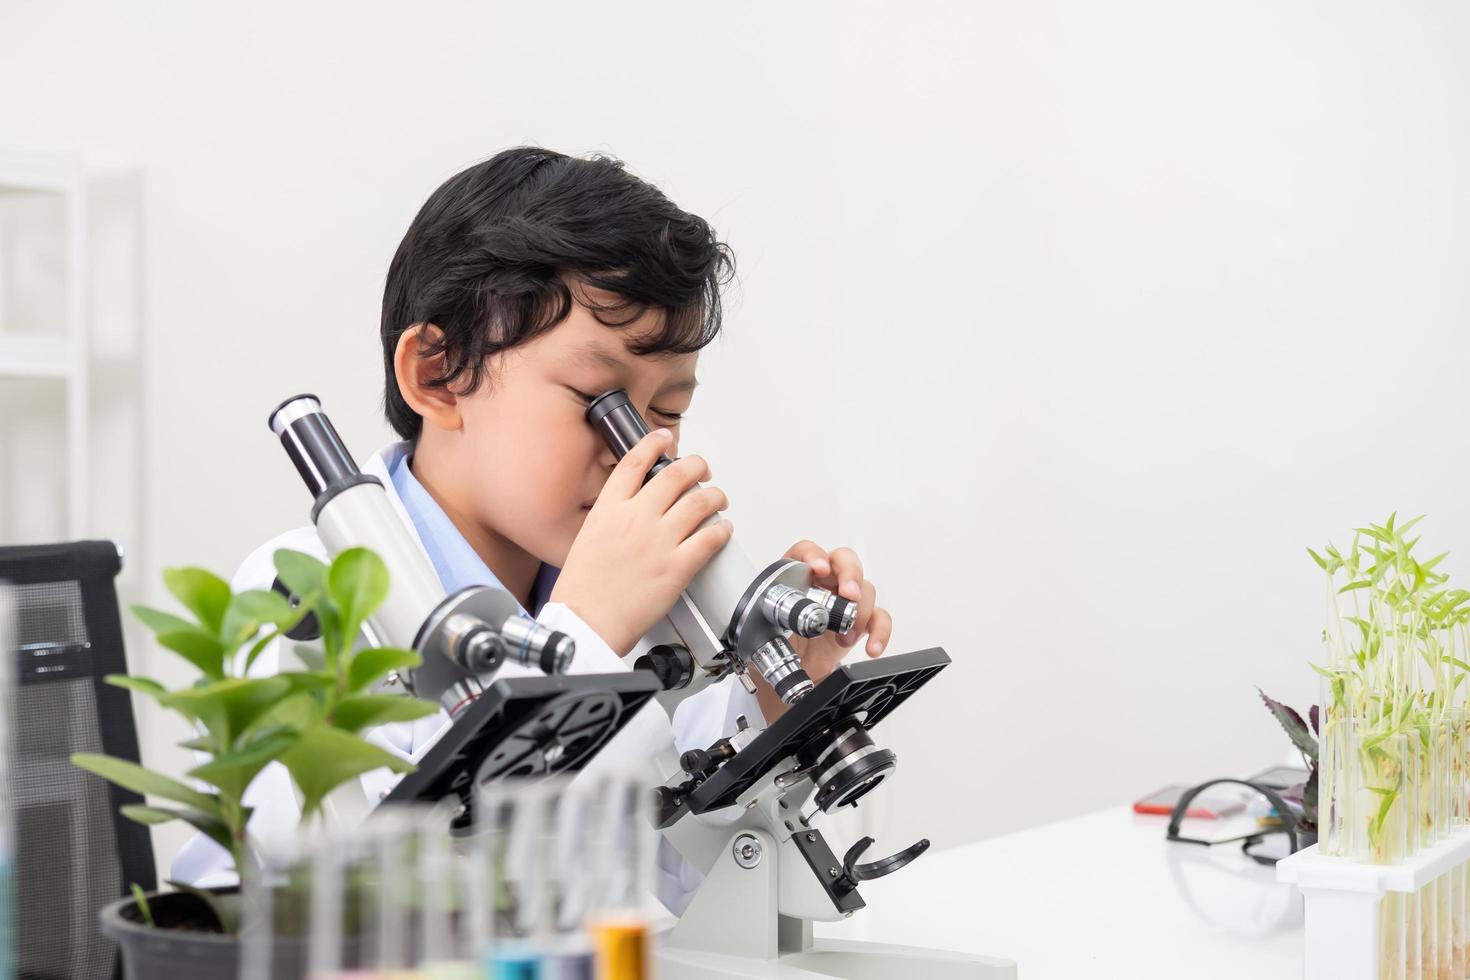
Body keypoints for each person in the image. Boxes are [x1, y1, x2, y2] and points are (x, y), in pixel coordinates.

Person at [172, 147, 891, 912]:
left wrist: (780, 700)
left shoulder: (638, 607)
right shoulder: (300, 598)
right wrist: (583, 637)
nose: (639, 453)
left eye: (670, 412)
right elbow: (351, 915)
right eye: (595, 399)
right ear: (439, 374)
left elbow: (678, 888)